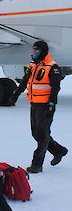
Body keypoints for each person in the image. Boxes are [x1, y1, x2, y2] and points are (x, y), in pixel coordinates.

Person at [9, 40, 68, 173]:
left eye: (37, 50)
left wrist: (51, 105)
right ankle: (59, 150)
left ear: (43, 51)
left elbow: (55, 88)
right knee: (36, 133)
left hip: (45, 105)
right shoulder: (33, 65)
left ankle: (37, 164)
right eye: (33, 50)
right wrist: (16, 95)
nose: (34, 52)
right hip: (34, 103)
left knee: (41, 134)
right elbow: (25, 81)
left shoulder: (53, 67)